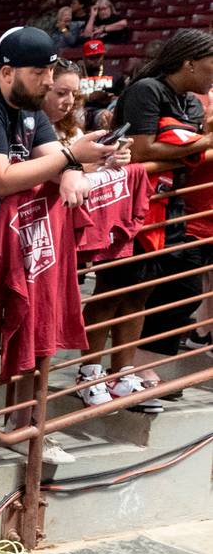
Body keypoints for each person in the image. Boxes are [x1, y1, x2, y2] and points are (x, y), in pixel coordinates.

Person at [0, 27, 118, 465]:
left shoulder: (31, 106)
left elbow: (54, 161)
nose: (48, 82)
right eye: (40, 72)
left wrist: (70, 167)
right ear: (7, 72)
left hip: (2, 240)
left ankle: (5, 417)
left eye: (51, 71)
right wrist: (72, 159)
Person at [77, 29, 213, 407]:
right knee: (112, 293)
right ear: (189, 63)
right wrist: (201, 144)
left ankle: (122, 375)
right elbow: (140, 151)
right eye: (210, 64)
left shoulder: (193, 104)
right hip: (129, 208)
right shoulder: (147, 90)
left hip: (170, 209)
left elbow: (178, 153)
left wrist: (188, 150)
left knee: (143, 293)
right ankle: (89, 374)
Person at [46, 61, 84, 144]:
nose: (70, 101)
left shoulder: (75, 133)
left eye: (74, 94)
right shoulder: (24, 131)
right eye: (61, 93)